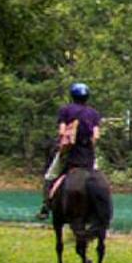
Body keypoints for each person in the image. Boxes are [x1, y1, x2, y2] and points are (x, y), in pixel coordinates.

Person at [37, 82, 102, 219]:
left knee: (50, 176)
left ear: (72, 96)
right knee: (97, 178)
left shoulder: (65, 110)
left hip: (70, 152)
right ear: (87, 97)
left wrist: (64, 143)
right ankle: (100, 208)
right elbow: (96, 135)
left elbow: (62, 132)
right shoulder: (94, 113)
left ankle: (45, 207)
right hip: (88, 154)